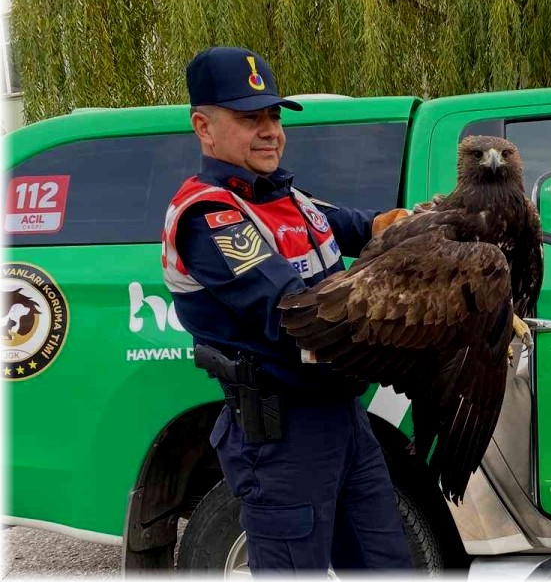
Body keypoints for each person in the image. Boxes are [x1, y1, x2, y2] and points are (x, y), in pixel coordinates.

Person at [162, 46, 414, 572]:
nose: (270, 131)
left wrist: (425, 225)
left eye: (274, 116)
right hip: (284, 435)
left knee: (388, 564)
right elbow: (293, 311)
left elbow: (363, 226)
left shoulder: (286, 197)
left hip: (345, 419)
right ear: (204, 127)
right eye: (249, 118)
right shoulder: (211, 214)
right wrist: (417, 327)